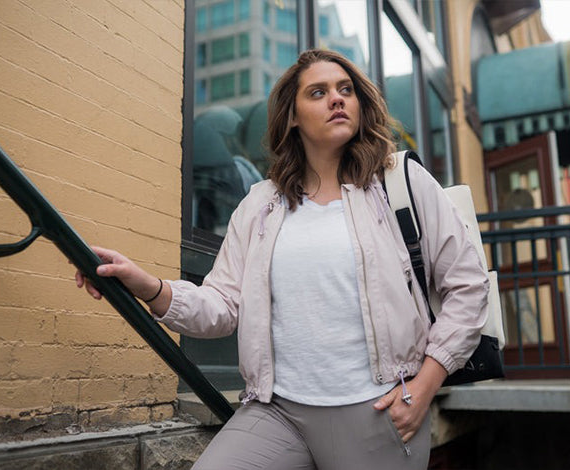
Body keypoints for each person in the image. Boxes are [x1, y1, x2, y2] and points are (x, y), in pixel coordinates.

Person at [75, 49, 489, 470]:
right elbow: (222, 305)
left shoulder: (399, 182)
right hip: (279, 413)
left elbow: (469, 286)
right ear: (292, 116)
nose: (337, 98)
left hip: (379, 412)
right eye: (318, 92)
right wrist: (149, 287)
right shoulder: (261, 204)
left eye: (345, 89)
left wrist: (426, 384)